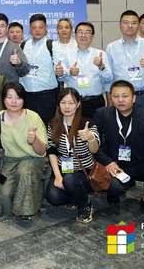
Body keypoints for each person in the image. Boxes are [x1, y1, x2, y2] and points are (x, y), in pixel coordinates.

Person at [93, 80, 144, 222]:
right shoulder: (102, 114)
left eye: (125, 96)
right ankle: (116, 191)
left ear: (134, 98)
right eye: (116, 96)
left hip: (140, 162)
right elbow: (95, 146)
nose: (120, 100)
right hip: (115, 164)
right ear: (111, 98)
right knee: (114, 188)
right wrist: (107, 162)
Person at [0, 82, 47, 220]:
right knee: (4, 197)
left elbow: (42, 151)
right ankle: (29, 196)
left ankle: (27, 211)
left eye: (18, 97)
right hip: (8, 161)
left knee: (24, 172)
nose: (14, 101)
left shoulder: (33, 117)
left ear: (24, 99)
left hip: (32, 159)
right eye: (9, 97)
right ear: (3, 99)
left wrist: (34, 140)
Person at [45, 88, 100, 223]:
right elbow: (51, 150)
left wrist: (91, 138)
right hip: (63, 168)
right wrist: (57, 176)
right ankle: (76, 195)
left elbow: (94, 150)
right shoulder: (53, 123)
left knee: (70, 180)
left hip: (84, 171)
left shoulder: (87, 123)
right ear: (58, 104)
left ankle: (85, 205)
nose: (67, 107)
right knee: (53, 197)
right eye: (63, 103)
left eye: (71, 103)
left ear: (78, 104)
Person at [105, 10, 144, 123]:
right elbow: (109, 77)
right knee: (122, 130)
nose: (130, 26)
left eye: (134, 23)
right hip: (121, 98)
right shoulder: (111, 48)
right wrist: (109, 100)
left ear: (139, 25)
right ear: (120, 25)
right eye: (126, 22)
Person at [60, 22, 111, 121]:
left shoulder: (101, 54)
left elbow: (108, 79)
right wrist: (69, 72)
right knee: (75, 129)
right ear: (75, 35)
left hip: (95, 101)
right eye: (80, 32)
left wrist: (101, 66)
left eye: (87, 32)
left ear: (92, 36)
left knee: (96, 129)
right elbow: (60, 78)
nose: (83, 35)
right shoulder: (67, 54)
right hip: (74, 102)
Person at [19, 14, 59, 125]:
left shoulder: (52, 45)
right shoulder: (23, 45)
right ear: (30, 29)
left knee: (46, 127)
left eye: (41, 27)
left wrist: (60, 70)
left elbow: (59, 67)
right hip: (27, 95)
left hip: (47, 95)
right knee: (29, 127)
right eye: (34, 27)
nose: (37, 30)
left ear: (46, 28)